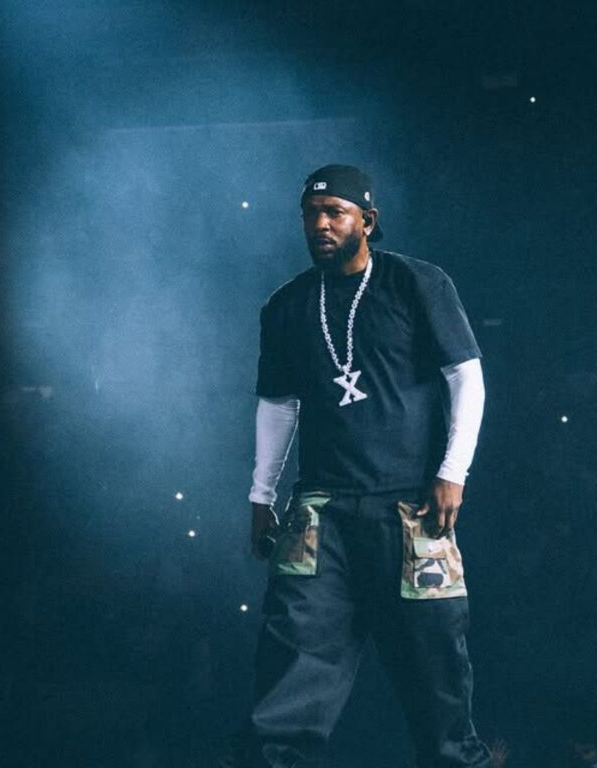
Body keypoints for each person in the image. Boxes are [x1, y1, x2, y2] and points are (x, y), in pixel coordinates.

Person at [233, 164, 489, 768]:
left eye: (335, 213)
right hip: (320, 513)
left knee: (437, 680)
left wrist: (453, 471)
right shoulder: (287, 304)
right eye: (310, 214)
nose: (320, 224)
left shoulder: (415, 282)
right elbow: (279, 404)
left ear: (367, 221)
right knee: (290, 671)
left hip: (412, 510)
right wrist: (261, 495)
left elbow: (466, 377)